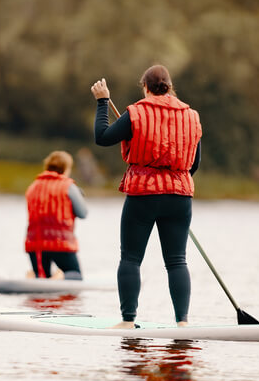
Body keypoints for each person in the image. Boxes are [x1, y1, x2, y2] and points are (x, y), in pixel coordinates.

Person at [90, 65, 202, 328]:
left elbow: (102, 137)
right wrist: (173, 185)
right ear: (170, 87)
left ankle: (128, 321)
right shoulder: (192, 116)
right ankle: (183, 322)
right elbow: (194, 164)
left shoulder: (136, 113)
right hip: (180, 194)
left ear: (145, 87)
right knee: (177, 261)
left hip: (143, 193)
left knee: (131, 258)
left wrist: (103, 102)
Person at [24, 150, 88, 280]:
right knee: (75, 275)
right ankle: (61, 276)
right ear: (66, 168)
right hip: (60, 243)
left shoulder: (33, 186)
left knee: (42, 277)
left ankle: (34, 275)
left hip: (35, 244)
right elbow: (83, 213)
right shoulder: (68, 186)